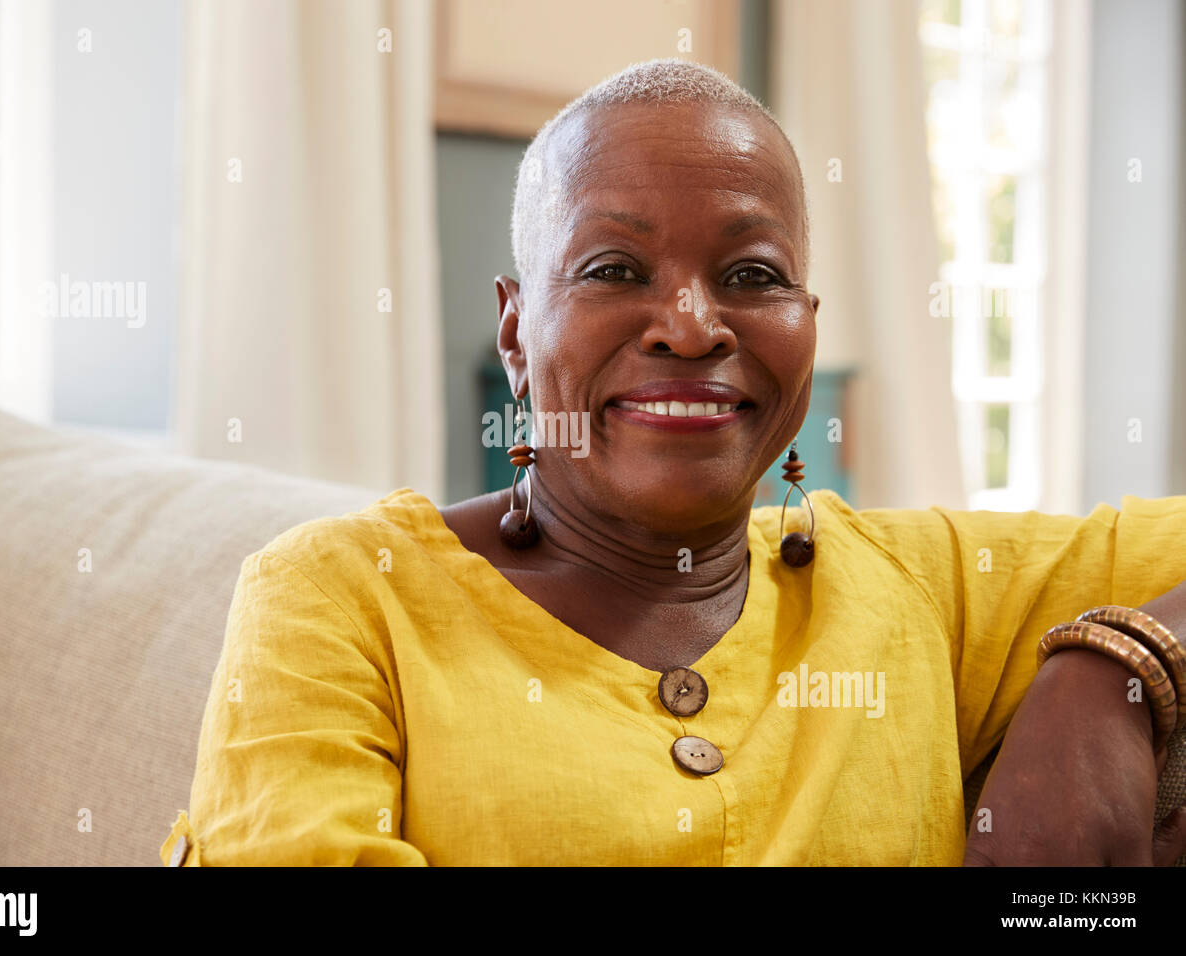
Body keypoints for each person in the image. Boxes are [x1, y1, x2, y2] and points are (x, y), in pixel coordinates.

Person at [160, 58, 1186, 866]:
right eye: (613, 269)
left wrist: (1115, 668)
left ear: (808, 329)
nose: (693, 327)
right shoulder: (340, 600)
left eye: (752, 274)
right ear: (515, 332)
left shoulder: (925, 588)